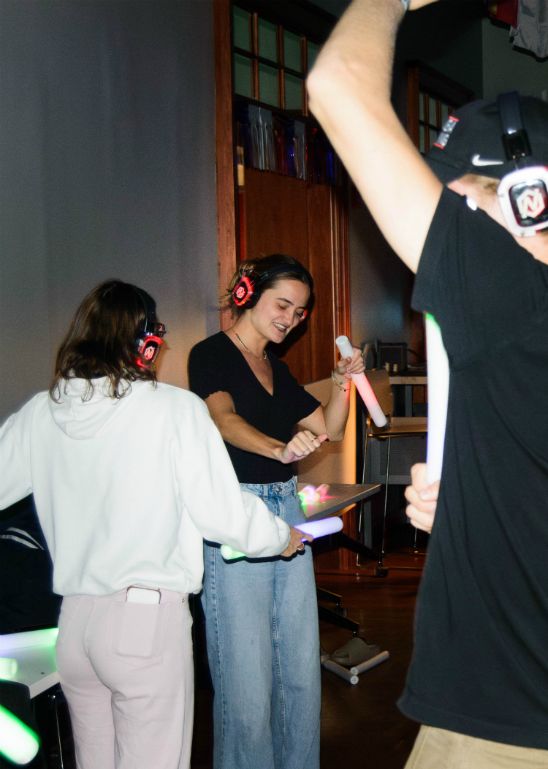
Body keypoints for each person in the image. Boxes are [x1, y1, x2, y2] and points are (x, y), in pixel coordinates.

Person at [307, 1, 548, 767]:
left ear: (534, 196)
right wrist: (479, 500)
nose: (449, 219)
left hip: (505, 725)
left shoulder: (517, 297)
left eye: (465, 197)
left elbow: (337, 87)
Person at [0, 279, 306, 769]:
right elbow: (221, 512)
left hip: (74, 626)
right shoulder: (174, 409)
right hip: (145, 624)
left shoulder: (42, 411)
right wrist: (279, 536)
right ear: (147, 343)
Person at [188, 253, 364, 769]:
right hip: (238, 510)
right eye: (282, 304)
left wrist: (342, 381)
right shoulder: (211, 354)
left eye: (300, 312)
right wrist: (278, 448)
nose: (291, 319)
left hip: (286, 505)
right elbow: (222, 420)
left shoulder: (277, 368)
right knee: (245, 673)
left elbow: (329, 426)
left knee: (299, 666)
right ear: (248, 294)